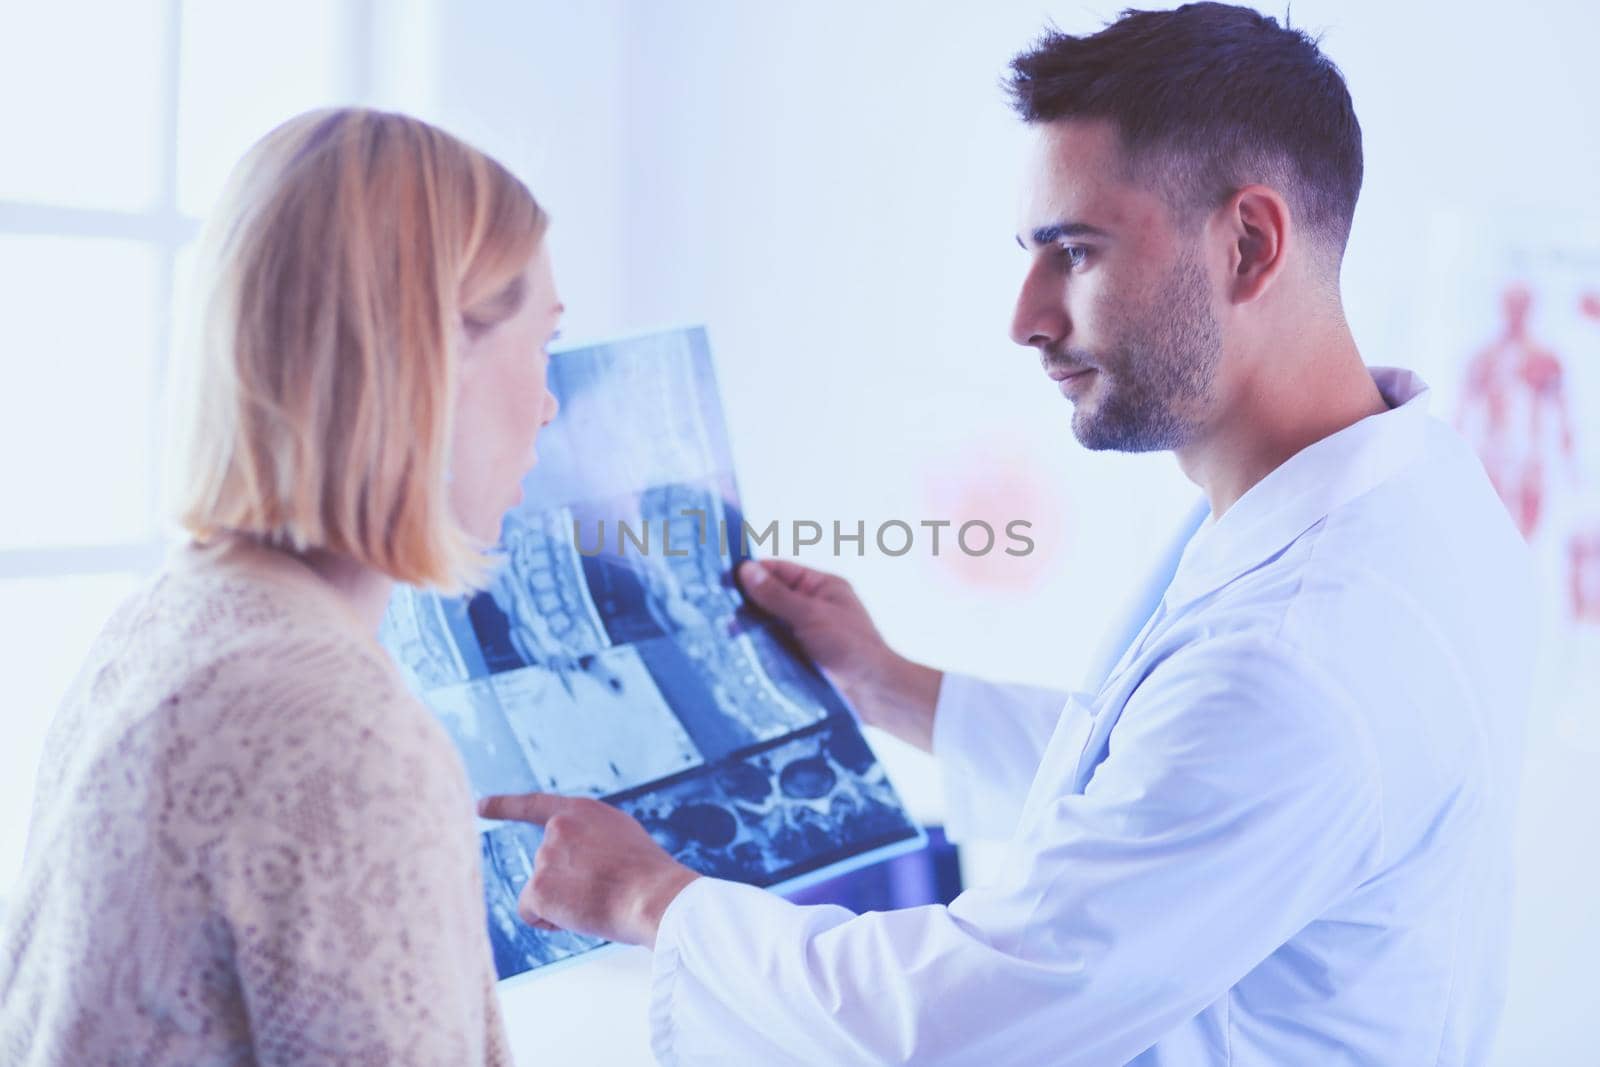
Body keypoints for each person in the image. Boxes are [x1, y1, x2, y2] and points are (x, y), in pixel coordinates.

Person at [477, 5, 1538, 1064]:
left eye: (1072, 252)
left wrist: (651, 895)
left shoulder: (1300, 652)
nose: (1025, 317)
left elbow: (957, 1021)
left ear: (1249, 243)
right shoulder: (1410, 485)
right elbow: (1167, 784)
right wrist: (891, 683)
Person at [0, 107, 561, 1064]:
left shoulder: (164, 625)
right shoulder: (342, 730)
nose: (548, 402)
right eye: (543, 342)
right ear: (435, 354)